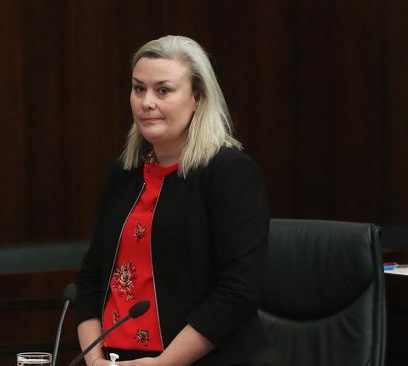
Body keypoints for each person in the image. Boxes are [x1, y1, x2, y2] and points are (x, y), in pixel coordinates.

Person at [75, 35, 270, 366]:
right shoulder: (124, 174)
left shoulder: (229, 173)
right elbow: (92, 279)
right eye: (139, 89)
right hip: (115, 358)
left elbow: (238, 292)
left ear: (196, 98)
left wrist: (162, 364)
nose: (146, 102)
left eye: (163, 90)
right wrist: (94, 360)